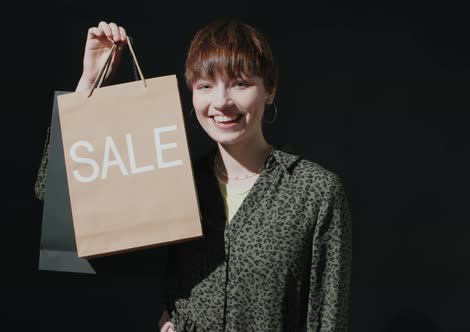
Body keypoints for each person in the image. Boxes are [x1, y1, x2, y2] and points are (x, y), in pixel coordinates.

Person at [36, 19, 352, 331]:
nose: (221, 102)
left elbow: (328, 316)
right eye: (205, 86)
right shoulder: (176, 181)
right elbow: (56, 195)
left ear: (270, 90)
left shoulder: (315, 191)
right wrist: (89, 84)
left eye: (239, 83)